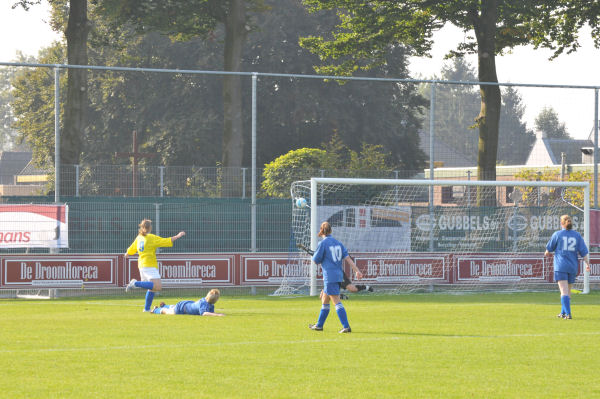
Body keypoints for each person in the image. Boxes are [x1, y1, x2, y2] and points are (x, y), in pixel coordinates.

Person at [124, 219, 186, 312]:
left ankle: (146, 308)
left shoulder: (139, 237)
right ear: (150, 227)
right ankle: (134, 283)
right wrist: (177, 236)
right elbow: (164, 241)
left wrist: (127, 253)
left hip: (142, 264)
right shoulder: (151, 237)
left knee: (152, 288)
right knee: (157, 286)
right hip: (149, 264)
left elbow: (132, 248)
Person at [309, 221, 358, 333]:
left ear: (321, 231)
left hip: (329, 276)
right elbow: (348, 258)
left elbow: (316, 260)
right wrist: (357, 271)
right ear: (330, 230)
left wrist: (316, 255)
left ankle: (346, 326)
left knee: (336, 300)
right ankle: (319, 325)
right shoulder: (338, 243)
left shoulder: (323, 244)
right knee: (325, 300)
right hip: (338, 275)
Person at [544, 214, 590, 319]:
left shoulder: (557, 234)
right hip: (573, 267)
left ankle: (568, 314)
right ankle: (563, 312)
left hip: (561, 266)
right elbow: (584, 252)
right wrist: (587, 264)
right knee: (568, 292)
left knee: (563, 291)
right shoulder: (577, 235)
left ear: (561, 223)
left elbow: (548, 251)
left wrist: (547, 253)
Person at [152, 289, 225, 316]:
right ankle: (156, 310)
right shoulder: (204, 304)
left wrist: (214, 314)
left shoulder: (207, 302)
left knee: (173, 307)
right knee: (168, 312)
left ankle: (165, 305)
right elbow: (204, 313)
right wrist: (217, 315)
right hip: (181, 308)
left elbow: (210, 312)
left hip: (186, 304)